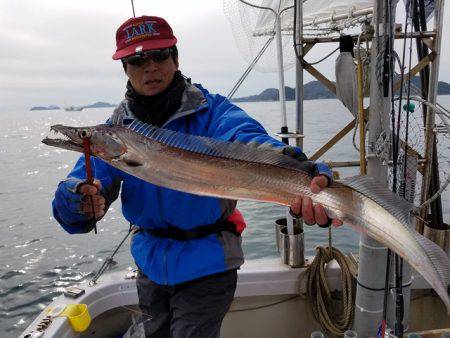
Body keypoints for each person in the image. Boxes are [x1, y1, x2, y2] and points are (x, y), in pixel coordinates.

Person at [52, 15, 342, 338]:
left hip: (209, 263)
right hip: (150, 266)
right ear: (126, 70)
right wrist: (79, 200)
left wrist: (303, 170)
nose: (150, 67)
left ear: (175, 59)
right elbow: (76, 191)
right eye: (136, 60)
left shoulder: (213, 112)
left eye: (159, 55)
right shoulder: (115, 134)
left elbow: (249, 139)